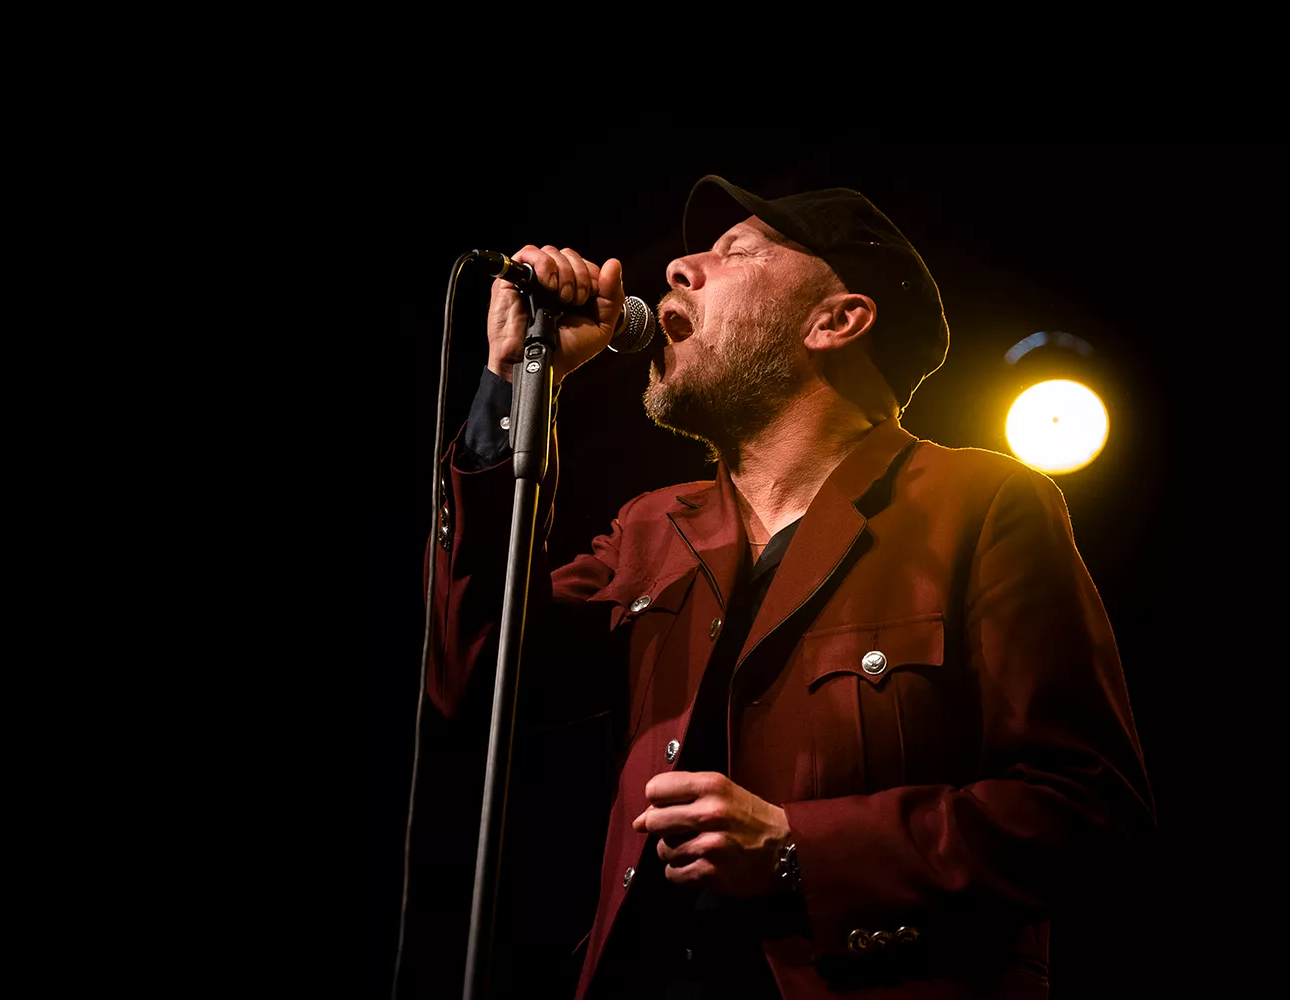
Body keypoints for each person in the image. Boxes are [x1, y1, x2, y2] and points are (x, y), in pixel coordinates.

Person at [423, 176, 1154, 999]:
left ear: (836, 320)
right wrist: (510, 385)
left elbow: (1089, 812)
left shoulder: (980, 506)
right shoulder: (649, 529)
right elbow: (472, 681)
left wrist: (798, 849)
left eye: (735, 253)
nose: (678, 270)